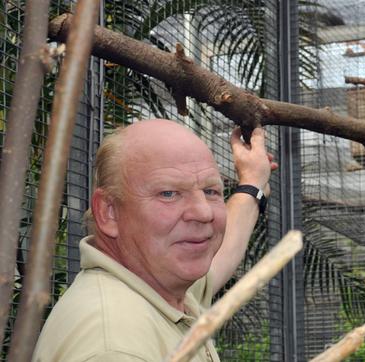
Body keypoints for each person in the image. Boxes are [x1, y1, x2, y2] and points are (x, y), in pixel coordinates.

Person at [33, 119, 277, 361]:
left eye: (210, 191)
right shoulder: (114, 347)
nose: (204, 213)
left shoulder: (162, 288)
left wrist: (252, 184)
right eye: (169, 194)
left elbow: (221, 259)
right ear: (109, 212)